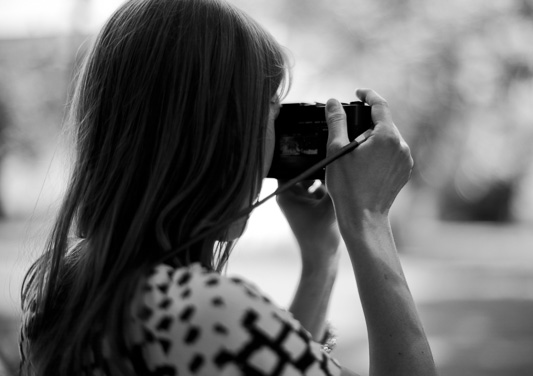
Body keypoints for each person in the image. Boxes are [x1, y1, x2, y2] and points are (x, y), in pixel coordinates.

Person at [19, 0, 436, 375]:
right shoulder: (201, 312)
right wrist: (369, 219)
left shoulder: (64, 288)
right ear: (216, 136)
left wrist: (320, 259)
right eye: (270, 110)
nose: (276, 136)